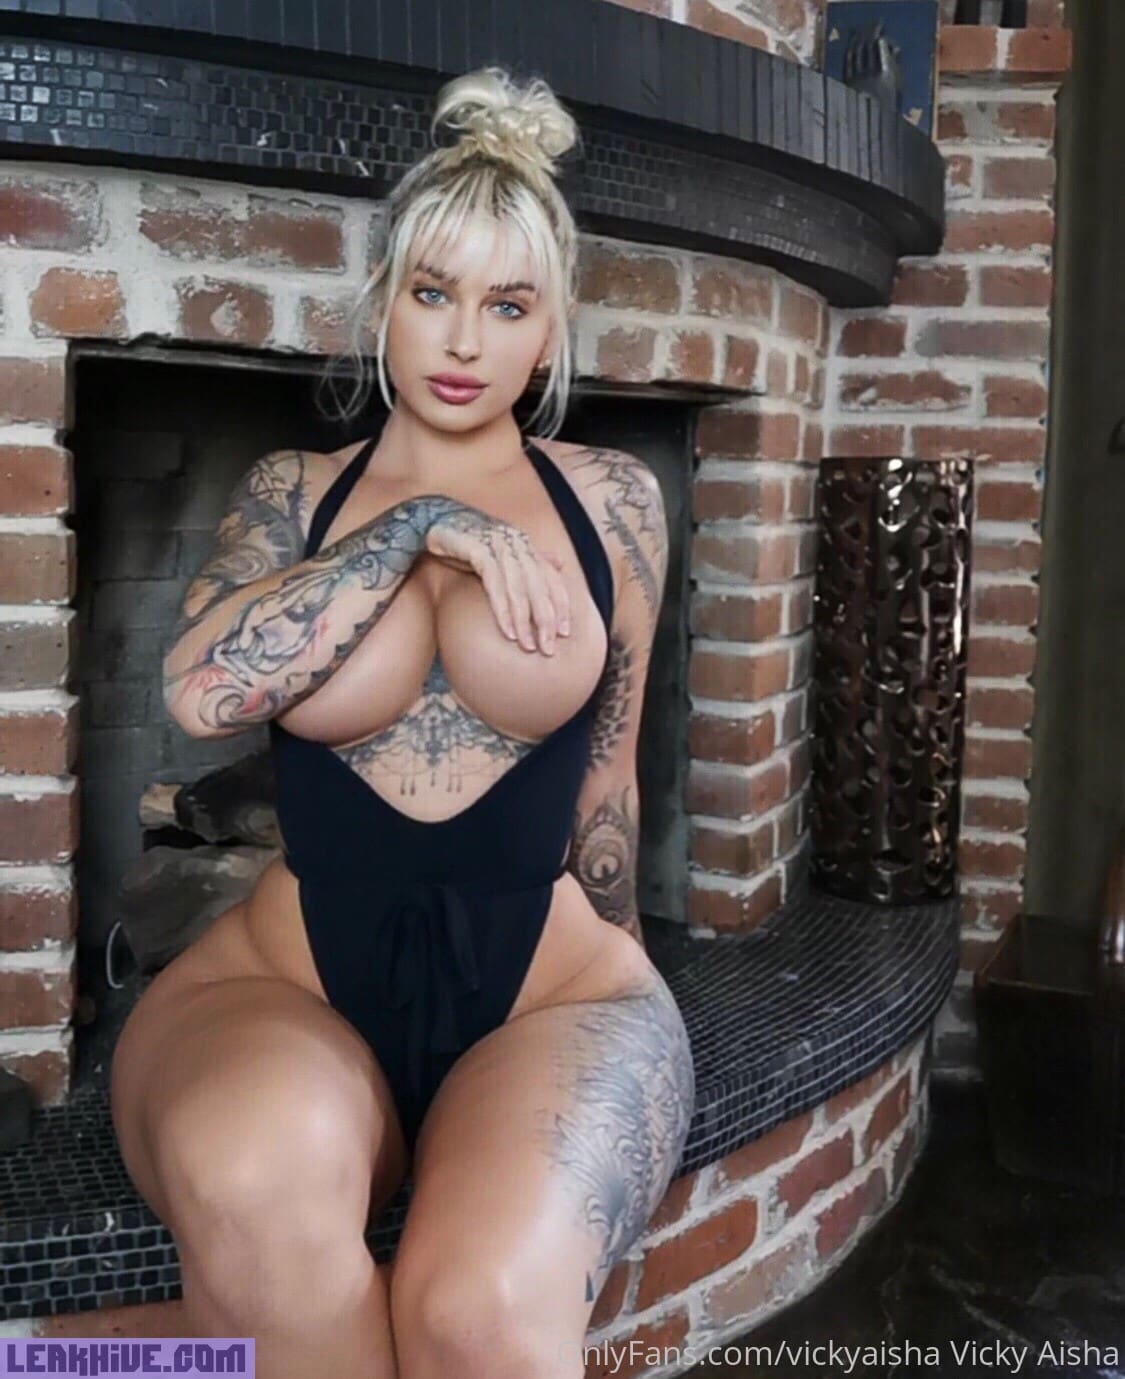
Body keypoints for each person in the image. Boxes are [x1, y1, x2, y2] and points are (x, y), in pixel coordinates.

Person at [110, 64, 695, 1379]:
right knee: (256, 1193)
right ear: (382, 301)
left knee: (480, 1317)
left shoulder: (612, 503)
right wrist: (420, 526)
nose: (466, 342)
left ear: (550, 330)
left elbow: (608, 782)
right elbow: (199, 695)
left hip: (547, 994)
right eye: (433, 294)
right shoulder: (296, 492)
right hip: (291, 984)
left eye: (508, 305)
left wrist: (630, 996)